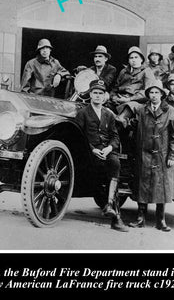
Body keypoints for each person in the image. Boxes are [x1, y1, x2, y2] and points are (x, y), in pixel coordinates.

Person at [74, 79, 129, 232]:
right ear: (90, 94)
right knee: (99, 169)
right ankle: (114, 215)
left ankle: (110, 205)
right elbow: (78, 135)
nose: (97, 96)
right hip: (88, 152)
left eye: (100, 93)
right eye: (95, 93)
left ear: (104, 96)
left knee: (115, 163)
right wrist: (92, 149)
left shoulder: (109, 114)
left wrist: (109, 148)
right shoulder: (83, 113)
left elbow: (115, 136)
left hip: (105, 151)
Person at [129, 80, 174, 231]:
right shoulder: (141, 110)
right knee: (142, 184)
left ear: (162, 95)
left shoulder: (170, 111)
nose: (154, 96)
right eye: (151, 93)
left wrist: (172, 155)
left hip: (162, 154)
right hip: (144, 153)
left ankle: (161, 220)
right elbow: (134, 127)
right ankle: (140, 218)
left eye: (156, 93)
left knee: (162, 187)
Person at [109, 46, 156, 128]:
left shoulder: (146, 71)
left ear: (141, 59)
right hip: (120, 99)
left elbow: (148, 92)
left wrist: (129, 99)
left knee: (130, 106)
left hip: (138, 102)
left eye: (136, 57)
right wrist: (113, 97)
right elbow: (115, 88)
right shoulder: (123, 72)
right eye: (131, 58)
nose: (134, 60)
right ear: (128, 60)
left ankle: (121, 119)